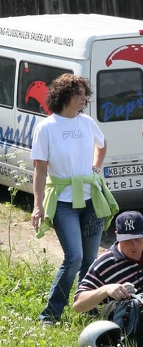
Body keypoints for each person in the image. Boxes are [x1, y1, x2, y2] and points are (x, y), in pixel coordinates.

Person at [31, 74, 118, 324]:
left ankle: (87, 307)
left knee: (90, 259)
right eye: (79, 93)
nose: (84, 98)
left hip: (91, 200)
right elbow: (40, 169)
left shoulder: (88, 123)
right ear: (65, 95)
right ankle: (50, 314)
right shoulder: (46, 127)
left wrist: (96, 167)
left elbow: (102, 145)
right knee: (75, 258)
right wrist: (38, 205)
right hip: (63, 203)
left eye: (85, 93)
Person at [73, 211, 143, 323]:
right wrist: (105, 290)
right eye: (127, 240)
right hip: (132, 332)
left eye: (138, 239)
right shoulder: (103, 264)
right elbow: (78, 305)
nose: (134, 245)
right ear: (117, 235)